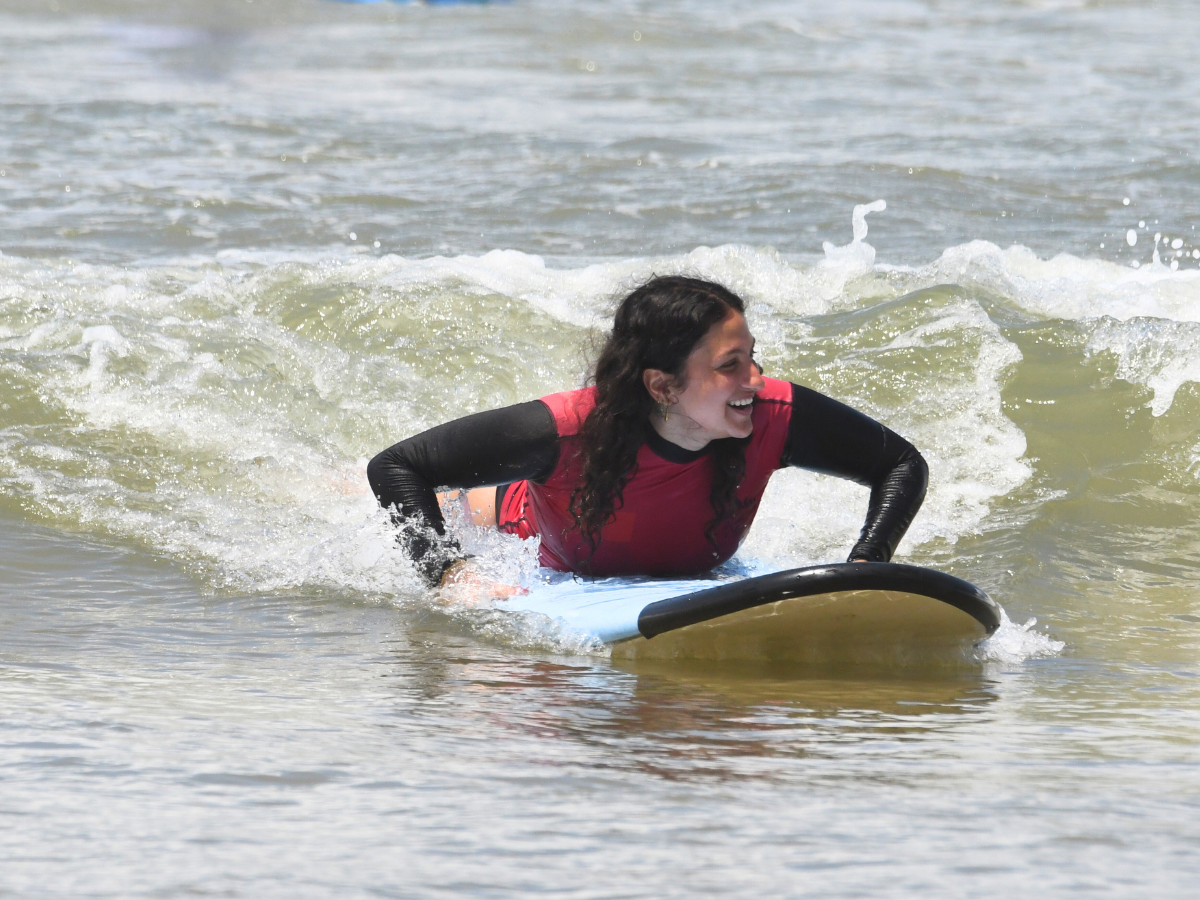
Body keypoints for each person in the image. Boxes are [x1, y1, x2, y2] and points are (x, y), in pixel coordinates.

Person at [367, 275, 927, 589]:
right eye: (730, 364)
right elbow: (396, 467)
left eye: (753, 358)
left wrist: (866, 562)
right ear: (662, 386)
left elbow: (901, 464)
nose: (755, 380)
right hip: (523, 523)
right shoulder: (567, 431)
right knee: (465, 502)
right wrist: (447, 574)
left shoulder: (773, 417)